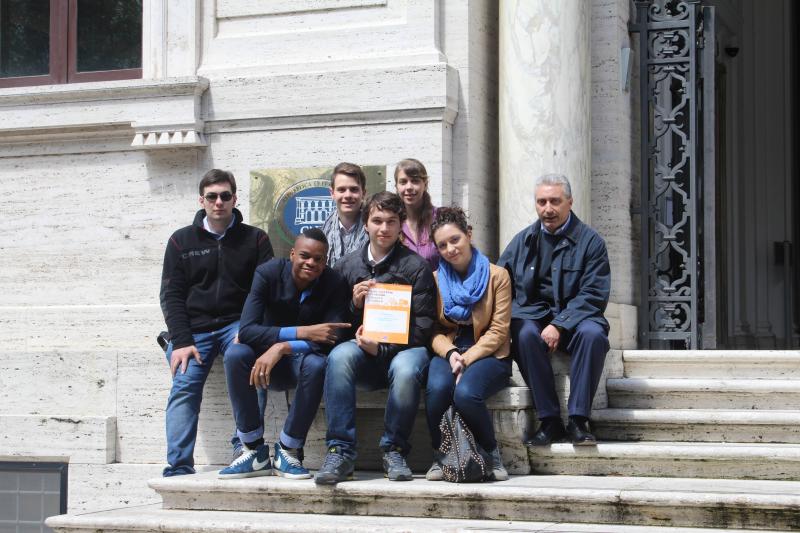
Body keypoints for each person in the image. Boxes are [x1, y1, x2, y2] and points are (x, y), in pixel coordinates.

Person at [314, 191, 436, 485]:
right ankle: (340, 451)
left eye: (391, 221)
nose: (384, 228)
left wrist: (382, 348)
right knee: (340, 356)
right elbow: (336, 326)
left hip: (406, 350)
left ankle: (394, 450)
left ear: (400, 224)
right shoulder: (346, 266)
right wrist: (354, 306)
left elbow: (423, 327)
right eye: (377, 221)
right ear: (366, 224)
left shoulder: (416, 267)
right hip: (363, 353)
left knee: (406, 368)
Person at [160, 169, 274, 477]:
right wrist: (181, 341)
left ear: (235, 199)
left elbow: (264, 292)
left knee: (250, 369)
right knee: (184, 386)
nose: (218, 202)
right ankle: (179, 466)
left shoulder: (256, 239)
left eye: (225, 196)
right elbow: (171, 294)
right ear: (202, 200)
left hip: (237, 324)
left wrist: (249, 330)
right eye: (212, 196)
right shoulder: (181, 240)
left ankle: (246, 448)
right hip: (194, 331)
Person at [219, 229, 350, 479]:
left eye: (318, 259)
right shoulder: (267, 273)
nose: (311, 263)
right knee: (236, 354)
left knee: (317, 364)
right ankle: (252, 448)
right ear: (292, 254)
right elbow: (246, 331)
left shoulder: (335, 283)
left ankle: (289, 449)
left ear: (325, 261)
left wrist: (283, 346)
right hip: (263, 364)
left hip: (300, 363)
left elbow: (333, 337)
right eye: (304, 256)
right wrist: (302, 332)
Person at [497, 174, 610, 446]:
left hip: (578, 318)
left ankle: (578, 420)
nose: (548, 209)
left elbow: (594, 294)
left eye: (555, 201)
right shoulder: (523, 241)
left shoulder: (591, 242)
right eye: (542, 202)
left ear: (570, 202)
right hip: (533, 317)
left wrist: (560, 324)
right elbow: (499, 281)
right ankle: (549, 421)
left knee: (594, 335)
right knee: (523, 333)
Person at [425, 207, 512, 482]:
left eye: (455, 240)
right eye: (442, 245)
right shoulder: (435, 280)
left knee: (466, 394)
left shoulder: (498, 276)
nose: (450, 249)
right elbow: (433, 330)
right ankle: (441, 456)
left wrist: (467, 358)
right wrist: (451, 353)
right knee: (437, 389)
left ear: (469, 235)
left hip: (489, 353)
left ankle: (492, 454)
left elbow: (499, 331)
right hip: (449, 350)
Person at [321, 162, 369, 267]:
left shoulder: (375, 231)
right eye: (341, 190)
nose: (347, 195)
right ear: (332, 193)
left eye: (354, 189)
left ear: (363, 193)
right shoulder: (322, 234)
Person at [394, 158, 439, 270]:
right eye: (403, 182)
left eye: (415, 181)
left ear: (425, 184)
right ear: (396, 186)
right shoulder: (392, 223)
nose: (409, 187)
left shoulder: (440, 218)